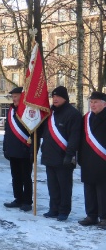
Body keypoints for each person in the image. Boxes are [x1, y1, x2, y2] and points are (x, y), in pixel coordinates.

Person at [40, 86, 81, 221]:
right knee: (52, 186)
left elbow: (74, 137)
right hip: (49, 155)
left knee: (64, 187)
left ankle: (64, 211)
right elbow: (44, 132)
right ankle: (54, 208)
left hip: (64, 156)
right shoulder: (49, 113)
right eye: (53, 96)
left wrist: (70, 155)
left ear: (65, 98)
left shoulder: (73, 114)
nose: (55, 99)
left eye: (58, 97)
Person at [77, 91, 106, 229]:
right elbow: (81, 139)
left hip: (102, 160)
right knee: (89, 189)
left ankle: (104, 218)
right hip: (88, 159)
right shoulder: (86, 118)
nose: (92, 104)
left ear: (104, 103)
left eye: (95, 102)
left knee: (102, 191)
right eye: (91, 102)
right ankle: (91, 216)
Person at [3, 87, 34, 212]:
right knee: (15, 176)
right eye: (13, 97)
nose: (14, 99)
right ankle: (18, 198)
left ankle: (27, 201)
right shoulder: (11, 110)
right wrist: (5, 147)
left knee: (26, 176)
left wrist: (32, 149)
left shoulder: (29, 111)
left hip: (25, 149)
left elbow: (34, 131)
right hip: (12, 149)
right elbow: (7, 130)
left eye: (16, 96)